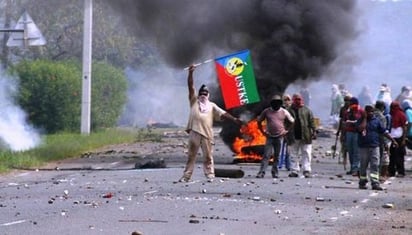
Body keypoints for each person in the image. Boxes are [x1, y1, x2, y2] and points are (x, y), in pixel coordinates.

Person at [178, 65, 243, 182]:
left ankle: (210, 174)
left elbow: (223, 114)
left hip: (207, 134)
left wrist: (234, 119)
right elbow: (191, 87)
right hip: (194, 132)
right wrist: (191, 73)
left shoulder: (212, 105)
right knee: (191, 156)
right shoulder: (194, 102)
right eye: (201, 93)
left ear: (208, 95)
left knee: (208, 156)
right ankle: (186, 176)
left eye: (205, 93)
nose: (203, 94)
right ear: (199, 94)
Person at [357, 105, 398, 191]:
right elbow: (360, 129)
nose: (370, 113)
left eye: (372, 111)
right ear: (365, 112)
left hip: (375, 146)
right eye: (368, 112)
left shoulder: (377, 121)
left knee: (375, 164)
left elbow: (384, 132)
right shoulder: (360, 120)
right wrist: (364, 118)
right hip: (363, 147)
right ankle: (362, 181)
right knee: (363, 165)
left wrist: (393, 140)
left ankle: (375, 182)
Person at [256, 94, 295, 178]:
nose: (276, 105)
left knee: (277, 156)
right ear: (272, 103)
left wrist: (286, 131)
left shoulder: (284, 112)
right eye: (274, 103)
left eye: (278, 103)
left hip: (280, 136)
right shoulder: (266, 111)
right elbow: (259, 121)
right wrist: (263, 132)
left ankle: (275, 172)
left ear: (280, 103)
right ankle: (261, 172)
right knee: (266, 155)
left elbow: (292, 121)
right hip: (269, 136)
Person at [287, 93, 316, 178]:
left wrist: (314, 131)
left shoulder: (307, 110)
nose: (298, 101)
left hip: (306, 135)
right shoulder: (288, 110)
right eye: (296, 99)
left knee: (306, 153)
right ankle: (294, 170)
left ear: (302, 100)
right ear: (293, 100)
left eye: (299, 99)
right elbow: (285, 122)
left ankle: (306, 170)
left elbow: (311, 122)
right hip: (293, 135)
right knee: (293, 153)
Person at [342, 97, 365, 176]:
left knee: (356, 151)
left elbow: (364, 121)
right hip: (349, 132)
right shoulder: (347, 112)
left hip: (357, 133)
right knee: (350, 151)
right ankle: (352, 168)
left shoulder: (361, 111)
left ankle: (356, 168)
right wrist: (343, 134)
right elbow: (344, 122)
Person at [388, 101, 408, 178]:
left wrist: (403, 139)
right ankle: (391, 171)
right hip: (392, 138)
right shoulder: (390, 115)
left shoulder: (402, 115)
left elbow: (404, 127)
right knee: (392, 155)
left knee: (399, 156)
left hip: (399, 138)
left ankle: (401, 171)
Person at [374, 100, 391, 182]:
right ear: (382, 107)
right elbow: (382, 132)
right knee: (379, 159)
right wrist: (386, 144)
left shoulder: (369, 114)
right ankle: (377, 177)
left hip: (369, 140)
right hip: (379, 141)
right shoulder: (382, 117)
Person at [336, 95, 352, 169]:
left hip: (350, 129)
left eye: (348, 101)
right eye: (345, 101)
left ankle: (349, 158)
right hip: (343, 129)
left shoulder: (352, 109)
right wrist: (338, 130)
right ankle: (344, 158)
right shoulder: (342, 109)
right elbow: (341, 120)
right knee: (343, 144)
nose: (346, 102)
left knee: (350, 145)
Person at [278, 94, 292, 170]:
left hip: (289, 132)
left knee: (288, 150)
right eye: (285, 100)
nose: (286, 101)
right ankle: (280, 165)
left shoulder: (292, 110)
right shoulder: (280, 109)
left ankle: (288, 165)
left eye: (288, 99)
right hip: (281, 131)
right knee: (280, 150)